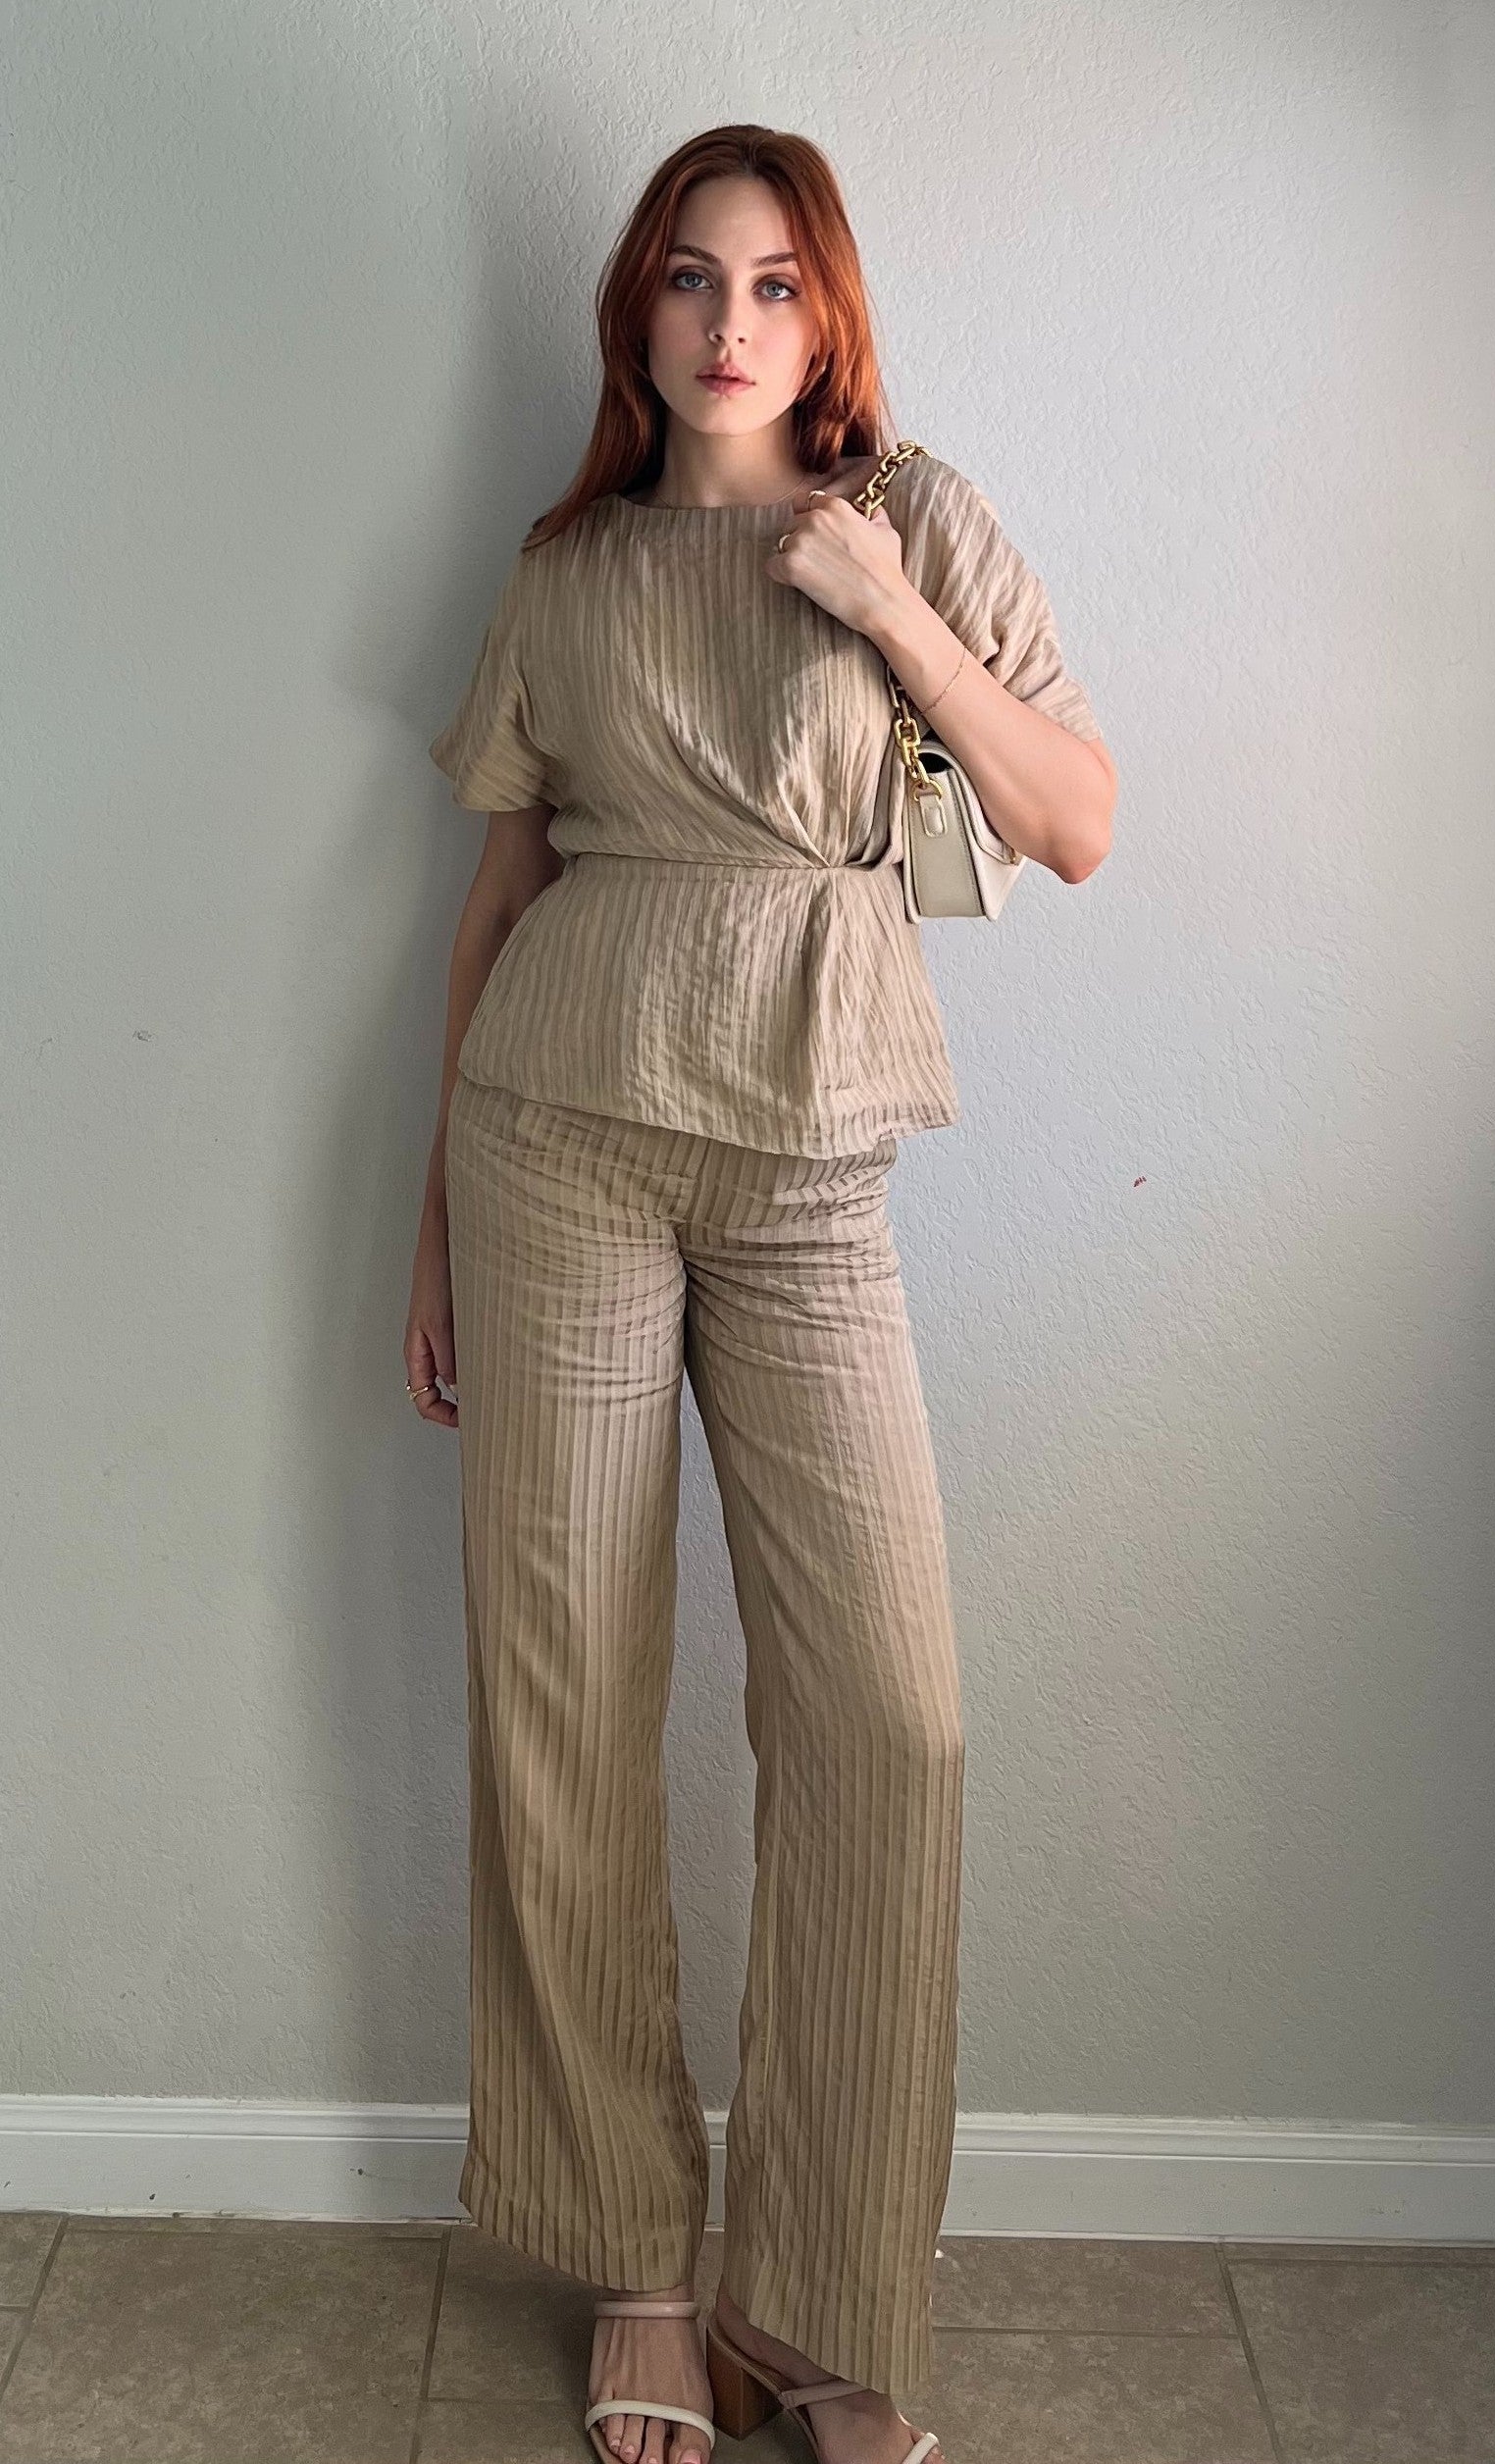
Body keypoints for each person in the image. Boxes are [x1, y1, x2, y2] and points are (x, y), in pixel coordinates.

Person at [406, 123, 1115, 2464]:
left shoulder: (910, 518)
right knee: (565, 1698)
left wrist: (885, 610)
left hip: (811, 1169)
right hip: (553, 1148)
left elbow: (1075, 818)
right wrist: (430, 1223)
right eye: (691, 279)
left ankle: (816, 2293)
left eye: (779, 283)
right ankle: (635, 2252)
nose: (732, 323)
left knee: (887, 1717)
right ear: (634, 308)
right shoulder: (569, 569)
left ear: (832, 318)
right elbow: (499, 899)